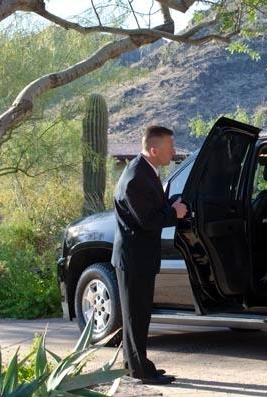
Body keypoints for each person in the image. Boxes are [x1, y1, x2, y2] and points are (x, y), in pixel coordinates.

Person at [111, 125, 188, 385]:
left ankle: (135, 366)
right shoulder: (136, 177)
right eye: (170, 148)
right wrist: (174, 213)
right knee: (136, 314)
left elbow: (152, 207)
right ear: (154, 149)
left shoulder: (147, 171)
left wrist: (172, 204)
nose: (174, 152)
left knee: (139, 313)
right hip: (134, 258)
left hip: (141, 256)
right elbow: (147, 220)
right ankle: (142, 371)